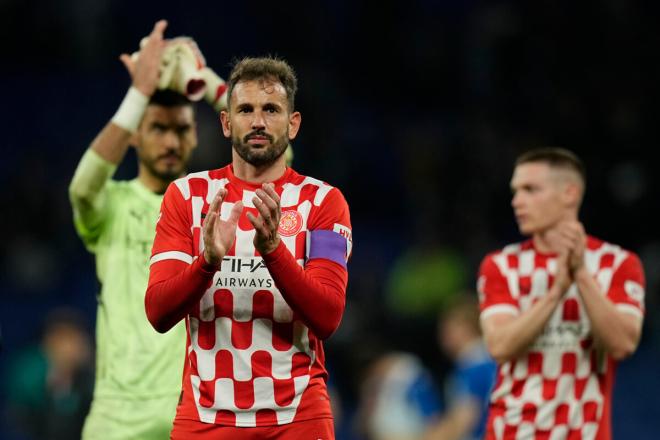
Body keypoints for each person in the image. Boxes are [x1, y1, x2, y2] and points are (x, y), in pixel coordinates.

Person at [145, 56, 353, 439]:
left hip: (297, 419)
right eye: (245, 110)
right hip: (206, 419)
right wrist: (207, 261)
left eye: (271, 109)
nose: (258, 121)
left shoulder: (324, 202)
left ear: (293, 124)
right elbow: (157, 311)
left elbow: (327, 317)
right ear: (226, 123)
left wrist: (273, 250)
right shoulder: (187, 196)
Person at [68, 20, 228, 439]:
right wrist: (138, 93)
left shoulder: (213, 204)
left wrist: (206, 82)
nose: (171, 142)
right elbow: (82, 185)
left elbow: (277, 163)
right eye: (158, 128)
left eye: (182, 129)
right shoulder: (111, 206)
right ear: (136, 134)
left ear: (196, 136)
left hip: (196, 412)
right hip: (116, 419)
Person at [477, 148, 645, 439]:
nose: (517, 202)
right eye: (515, 191)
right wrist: (556, 292)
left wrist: (580, 275)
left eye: (530, 190)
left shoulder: (618, 263)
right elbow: (499, 346)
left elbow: (622, 344)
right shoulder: (501, 265)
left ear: (569, 193)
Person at [5, 308, 94, 440]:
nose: (69, 348)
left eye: (74, 339)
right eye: (63, 339)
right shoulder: (30, 368)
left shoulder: (89, 373)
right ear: (49, 341)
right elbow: (22, 413)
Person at [425, 295, 496, 440]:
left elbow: (465, 418)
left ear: (467, 327)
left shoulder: (474, 364)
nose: (443, 336)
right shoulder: (487, 357)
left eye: (449, 329)